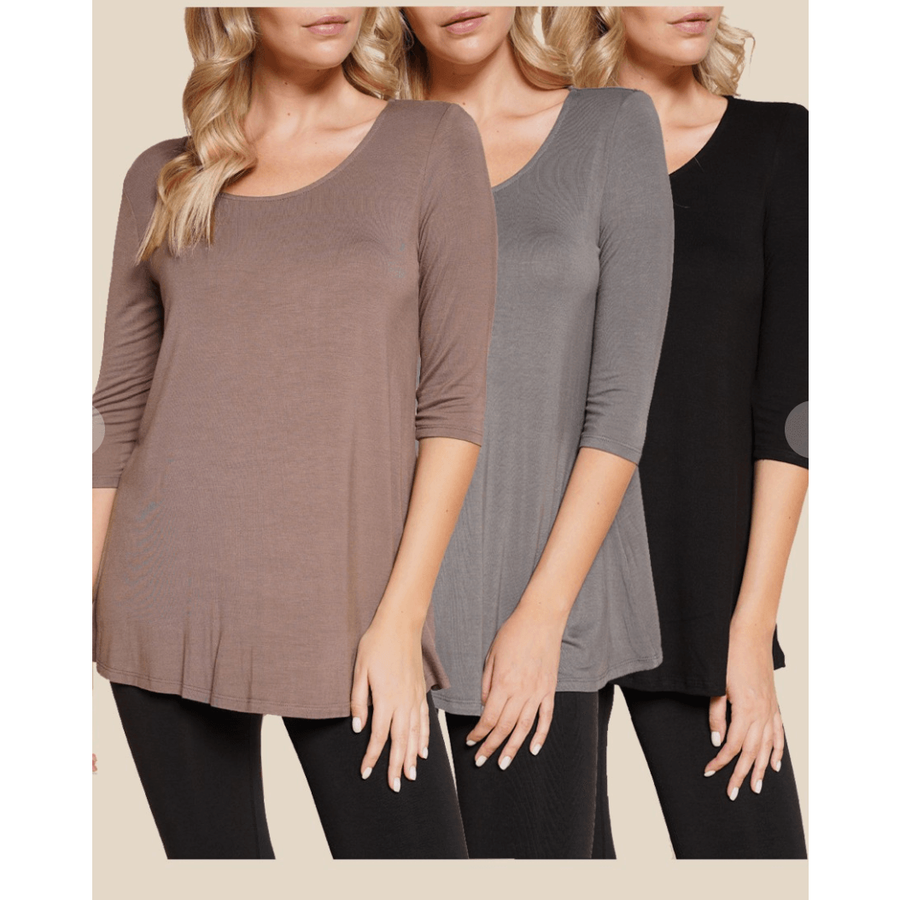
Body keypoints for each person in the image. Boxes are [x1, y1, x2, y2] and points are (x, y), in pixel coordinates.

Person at [91, 6, 497, 860]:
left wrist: (400, 622)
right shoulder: (164, 175)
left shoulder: (431, 143)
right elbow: (115, 417)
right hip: (162, 601)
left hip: (351, 621)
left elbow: (453, 407)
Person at [399, 7, 673, 858]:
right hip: (383, 591)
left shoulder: (609, 127)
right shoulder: (370, 140)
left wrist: (542, 616)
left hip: (541, 589)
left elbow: (620, 407)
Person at [544, 5, 808, 858]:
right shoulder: (541, 143)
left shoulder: (779, 143)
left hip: (699, 591)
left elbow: (795, 408)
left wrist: (749, 633)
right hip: (542, 582)